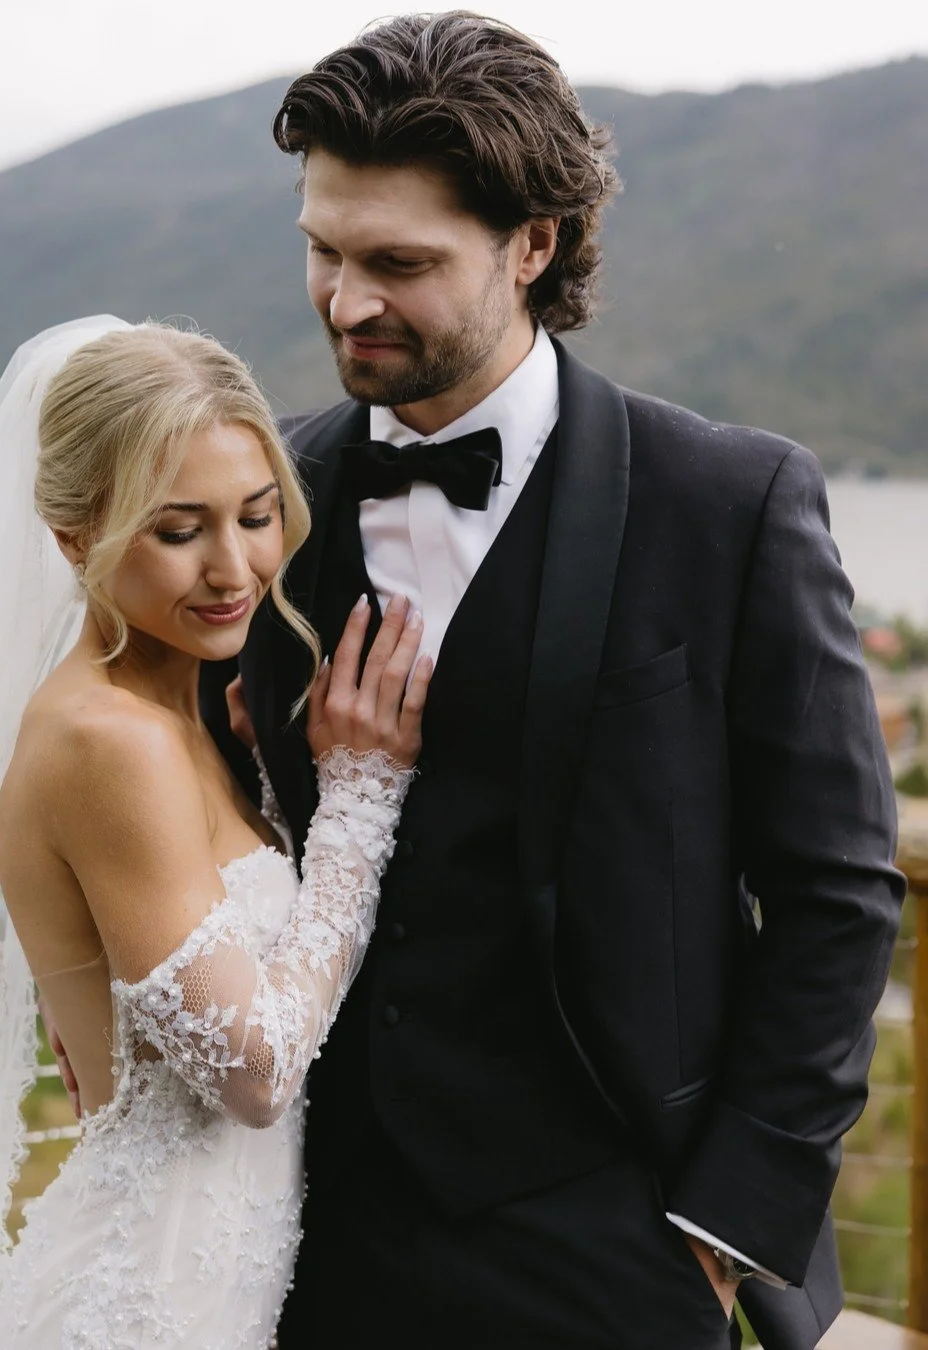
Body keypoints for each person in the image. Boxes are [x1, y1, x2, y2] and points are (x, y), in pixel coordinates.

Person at [194, 13, 906, 1350]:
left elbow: (837, 888)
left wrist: (722, 1225)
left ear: (534, 244)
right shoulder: (257, 500)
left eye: (398, 263)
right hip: (301, 1235)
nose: (346, 301)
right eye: (323, 251)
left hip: (617, 1239)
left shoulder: (728, 501)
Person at [0, 317, 431, 1349]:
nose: (233, 568)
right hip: (138, 1307)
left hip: (212, 1291)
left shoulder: (184, 716)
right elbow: (251, 1072)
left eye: (256, 515)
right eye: (177, 531)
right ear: (76, 538)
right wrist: (359, 803)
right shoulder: (109, 742)